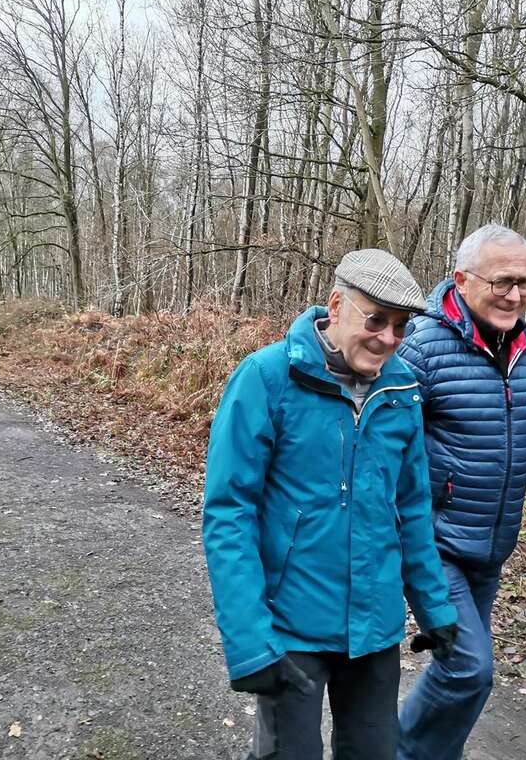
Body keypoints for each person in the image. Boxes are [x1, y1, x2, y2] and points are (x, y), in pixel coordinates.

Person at [202, 249, 458, 760]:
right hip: (291, 625)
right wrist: (249, 640)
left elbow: (411, 509)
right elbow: (229, 513)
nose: (388, 338)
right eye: (376, 320)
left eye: (401, 327)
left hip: (375, 626)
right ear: (337, 305)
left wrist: (433, 605)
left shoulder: (403, 389)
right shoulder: (267, 378)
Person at [396, 224, 526, 760]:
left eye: (524, 283)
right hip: (434, 544)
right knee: (468, 669)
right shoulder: (422, 346)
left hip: (490, 548)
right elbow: (385, 442)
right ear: (462, 280)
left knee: (462, 670)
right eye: (502, 282)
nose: (514, 295)